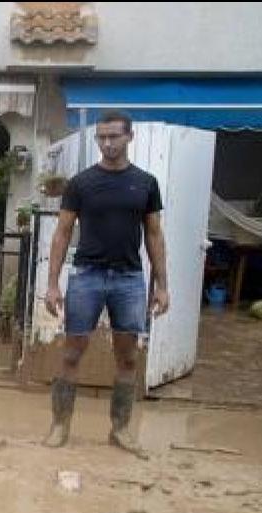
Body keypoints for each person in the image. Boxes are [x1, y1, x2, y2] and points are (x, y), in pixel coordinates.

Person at [43, 110, 169, 457]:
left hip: (129, 279)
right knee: (71, 352)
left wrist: (162, 285)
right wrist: (53, 284)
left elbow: (155, 236)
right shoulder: (81, 183)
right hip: (86, 276)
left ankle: (121, 429)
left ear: (129, 137)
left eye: (114, 136)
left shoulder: (145, 183)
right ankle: (60, 425)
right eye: (102, 137)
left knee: (127, 358)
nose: (108, 143)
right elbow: (62, 234)